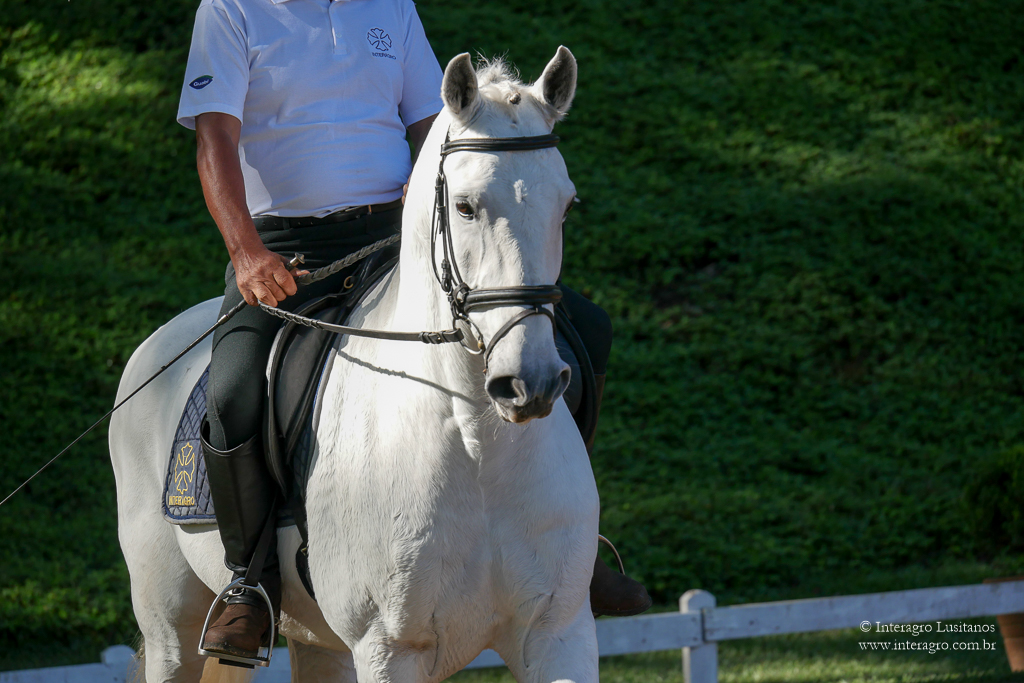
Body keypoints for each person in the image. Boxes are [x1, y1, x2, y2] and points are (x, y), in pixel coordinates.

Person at [177, 0, 649, 662]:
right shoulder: (231, 11)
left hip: (394, 238)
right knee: (233, 393)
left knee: (586, 328)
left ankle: (572, 549)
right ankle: (247, 581)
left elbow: (436, 121)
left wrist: (433, 189)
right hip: (284, 253)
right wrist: (246, 251)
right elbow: (215, 141)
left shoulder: (389, 7)